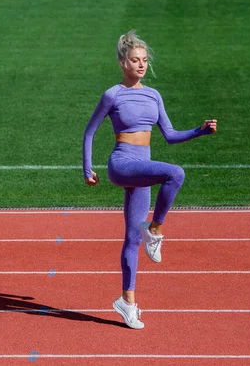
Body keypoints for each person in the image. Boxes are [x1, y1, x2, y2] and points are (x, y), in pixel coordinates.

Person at [82, 30, 217, 329]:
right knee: (175, 173)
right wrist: (87, 168)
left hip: (142, 169)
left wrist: (199, 130)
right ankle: (154, 230)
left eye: (144, 60)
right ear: (122, 62)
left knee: (132, 238)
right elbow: (89, 131)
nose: (141, 65)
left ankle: (127, 302)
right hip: (121, 164)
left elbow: (169, 136)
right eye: (134, 60)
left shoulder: (154, 95)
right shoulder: (113, 95)